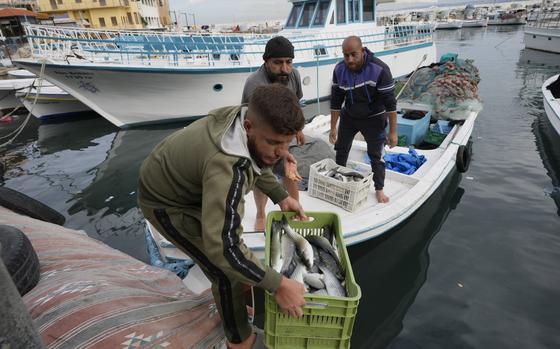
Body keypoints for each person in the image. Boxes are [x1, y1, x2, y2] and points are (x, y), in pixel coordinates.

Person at [138, 84, 307, 349]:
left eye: (287, 143)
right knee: (226, 272)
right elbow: (224, 249)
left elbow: (257, 159)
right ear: (249, 127)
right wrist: (278, 285)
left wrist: (281, 196)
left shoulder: (245, 124)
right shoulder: (227, 168)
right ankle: (239, 341)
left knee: (236, 264)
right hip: (166, 202)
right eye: (274, 142)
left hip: (192, 185)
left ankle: (238, 309)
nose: (281, 152)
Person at [242, 36, 305, 231]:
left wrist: (299, 130)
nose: (285, 68)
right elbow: (252, 125)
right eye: (278, 63)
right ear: (266, 61)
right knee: (263, 173)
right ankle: (261, 213)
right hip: (262, 136)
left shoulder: (293, 75)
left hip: (286, 131)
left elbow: (297, 103)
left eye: (289, 62)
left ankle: (295, 208)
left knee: (291, 170)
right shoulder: (254, 84)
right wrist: (279, 150)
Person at [329, 35, 398, 203]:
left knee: (376, 155)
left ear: (362, 50)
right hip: (349, 115)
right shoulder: (339, 69)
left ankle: (379, 189)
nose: (350, 60)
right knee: (341, 148)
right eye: (346, 55)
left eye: (354, 54)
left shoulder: (379, 69)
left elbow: (391, 104)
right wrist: (332, 128)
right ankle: (340, 178)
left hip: (373, 117)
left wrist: (393, 132)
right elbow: (336, 101)